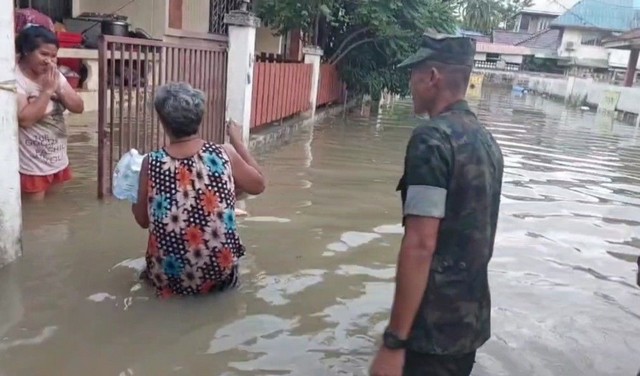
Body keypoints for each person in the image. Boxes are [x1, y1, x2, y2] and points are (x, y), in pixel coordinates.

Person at [370, 32, 504, 376]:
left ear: (432, 77)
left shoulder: (431, 140)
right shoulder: (486, 140)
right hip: (468, 326)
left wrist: (394, 341)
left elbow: (420, 244)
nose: (409, 84)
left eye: (413, 75)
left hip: (431, 331)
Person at [131, 82, 265, 298]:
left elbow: (142, 221)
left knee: (145, 276)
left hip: (168, 278)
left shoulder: (151, 162)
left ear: (162, 121)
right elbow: (259, 185)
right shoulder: (224, 153)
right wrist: (238, 141)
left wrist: (135, 192)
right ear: (200, 117)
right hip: (220, 274)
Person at [15, 26, 84, 200]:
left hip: (58, 160)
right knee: (37, 216)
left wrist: (59, 92)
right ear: (26, 51)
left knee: (55, 210)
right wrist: (47, 91)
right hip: (32, 166)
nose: (49, 61)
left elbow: (79, 107)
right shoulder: (16, 79)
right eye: (44, 54)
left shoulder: (54, 74)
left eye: (53, 56)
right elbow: (25, 119)